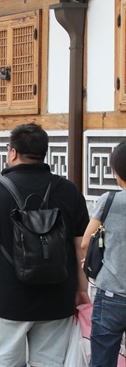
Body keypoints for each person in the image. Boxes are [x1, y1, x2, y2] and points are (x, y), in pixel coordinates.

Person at [0, 123, 90, 367]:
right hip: (57, 299)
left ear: (13, 152)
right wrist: (81, 289)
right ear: (44, 152)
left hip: (7, 299)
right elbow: (81, 246)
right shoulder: (68, 190)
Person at [81, 141, 126, 367]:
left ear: (116, 171)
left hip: (111, 295)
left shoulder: (109, 200)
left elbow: (86, 242)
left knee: (102, 361)